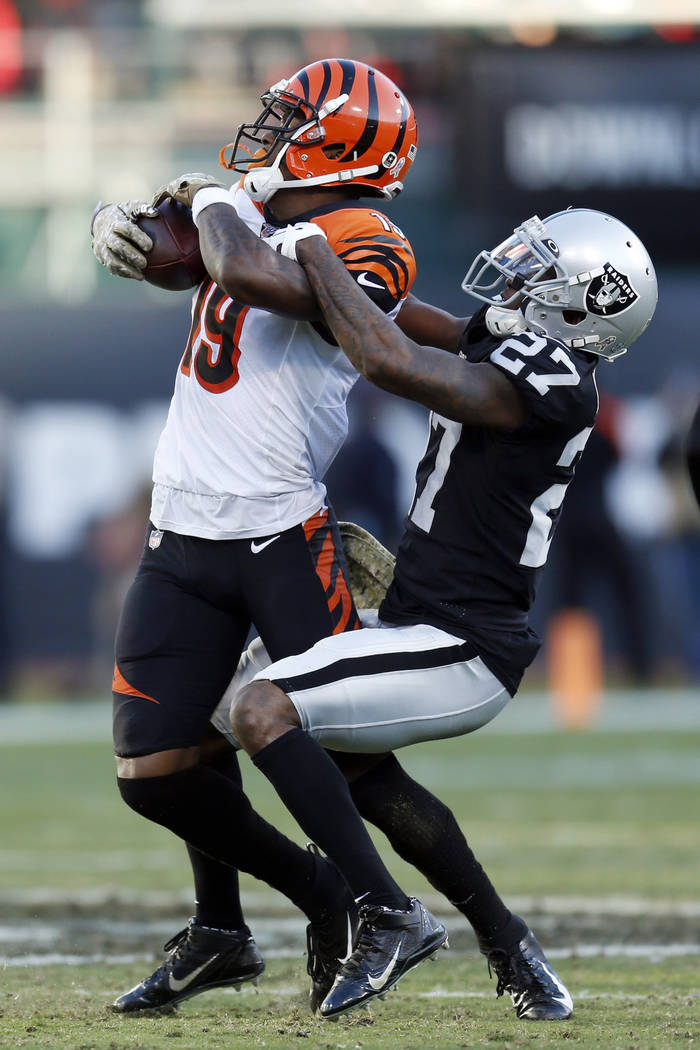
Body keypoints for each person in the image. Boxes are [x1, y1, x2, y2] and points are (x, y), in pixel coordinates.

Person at [90, 57, 470, 1016]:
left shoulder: (370, 235)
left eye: (293, 115)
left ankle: (443, 922)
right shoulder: (258, 205)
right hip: (185, 529)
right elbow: (190, 248)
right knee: (157, 770)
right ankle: (294, 909)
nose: (270, 128)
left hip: (276, 536)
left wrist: (214, 202)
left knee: (344, 761)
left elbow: (249, 269)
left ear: (346, 140)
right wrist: (131, 229)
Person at [223, 208, 658, 1018]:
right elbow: (386, 314)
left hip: (466, 646)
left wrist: (312, 242)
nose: (519, 271)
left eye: (543, 267)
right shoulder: (524, 342)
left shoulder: (559, 384)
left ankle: (381, 911)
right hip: (423, 618)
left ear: (582, 301)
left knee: (261, 709)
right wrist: (262, 253)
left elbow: (386, 358)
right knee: (339, 762)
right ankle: (513, 948)